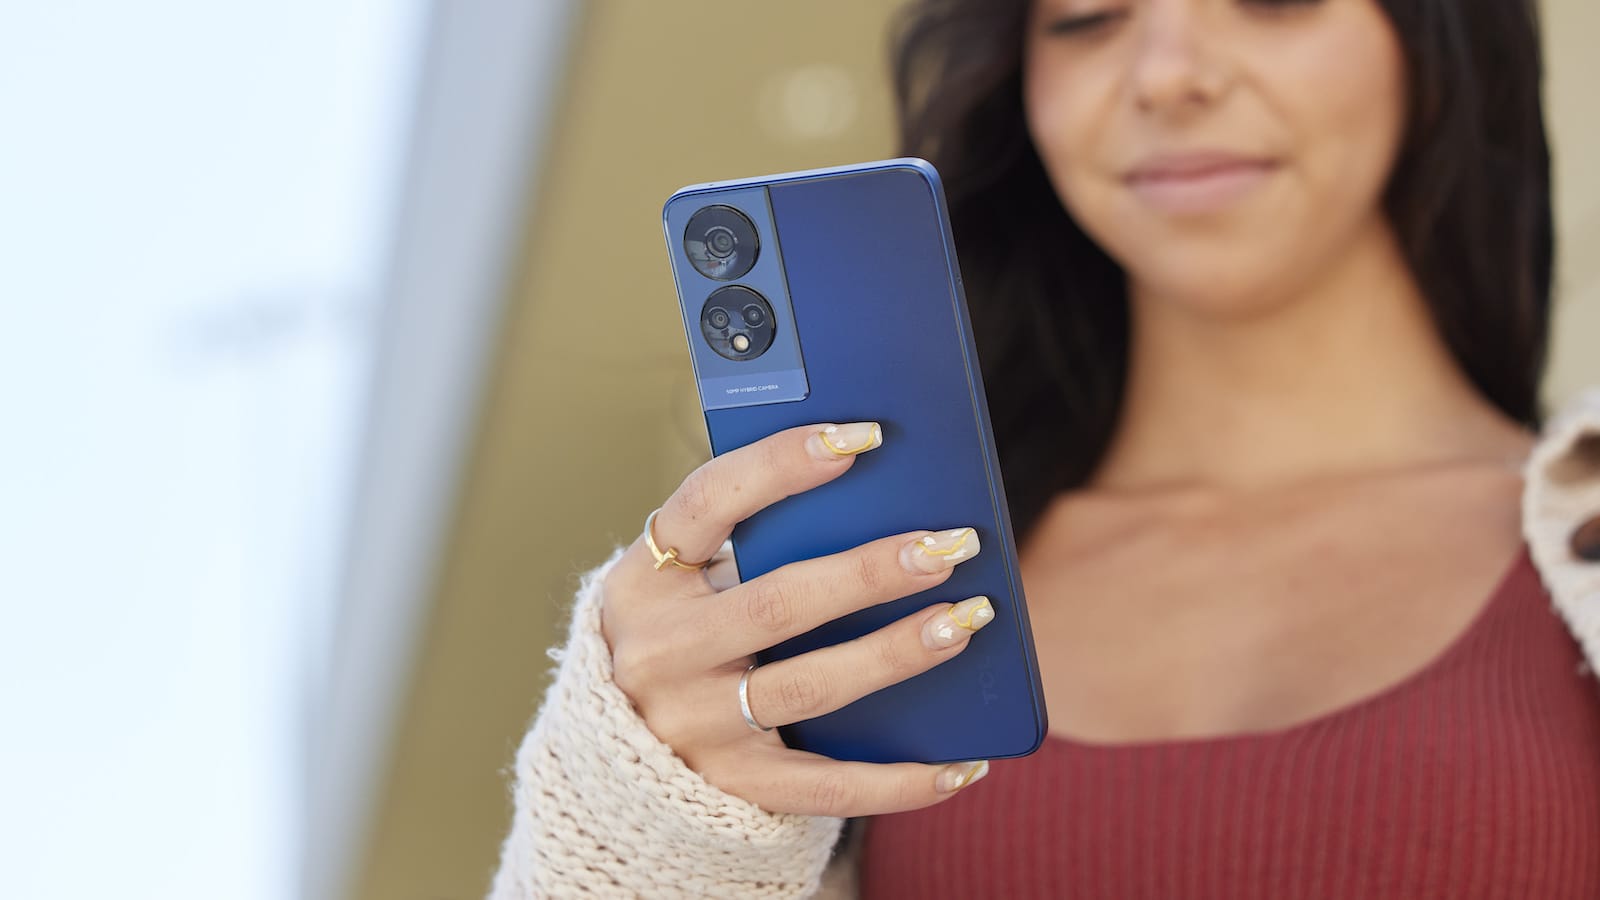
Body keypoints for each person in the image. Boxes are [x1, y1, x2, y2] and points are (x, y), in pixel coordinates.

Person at [488, 0, 1600, 896]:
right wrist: (642, 810)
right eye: (1086, 19)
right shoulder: (868, 587)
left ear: (1437, 39)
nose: (1167, 73)